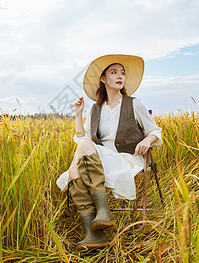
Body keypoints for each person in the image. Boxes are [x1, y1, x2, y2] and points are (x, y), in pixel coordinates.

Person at [56, 54, 162, 251]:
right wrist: (78, 115)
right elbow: (82, 139)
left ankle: (104, 211)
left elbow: (155, 130)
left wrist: (147, 140)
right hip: (98, 161)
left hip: (126, 159)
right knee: (73, 171)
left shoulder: (134, 104)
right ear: (103, 79)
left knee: (83, 154)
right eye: (114, 72)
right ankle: (93, 233)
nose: (120, 76)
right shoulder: (95, 109)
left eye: (122, 72)